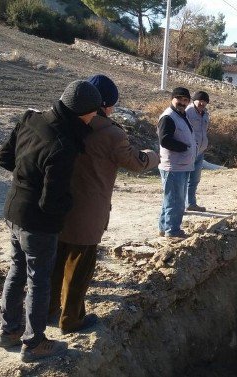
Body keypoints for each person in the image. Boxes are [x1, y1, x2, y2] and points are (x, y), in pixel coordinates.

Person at [0, 80, 102, 362]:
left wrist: (27, 174)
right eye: (94, 112)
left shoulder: (30, 118)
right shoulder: (63, 144)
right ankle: (34, 343)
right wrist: (71, 204)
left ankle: (9, 331)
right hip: (38, 223)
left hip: (13, 210)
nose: (95, 117)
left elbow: (4, 158)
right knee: (39, 280)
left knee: (17, 271)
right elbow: (51, 202)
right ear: (82, 112)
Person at [49, 75, 159, 334]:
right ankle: (71, 319)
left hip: (56, 205)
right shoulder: (111, 133)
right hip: (88, 210)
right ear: (105, 105)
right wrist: (153, 156)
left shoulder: (62, 123)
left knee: (55, 261)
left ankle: (48, 310)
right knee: (80, 267)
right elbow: (135, 163)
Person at [157, 87, 197, 238]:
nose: (183, 102)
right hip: (173, 166)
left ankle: (163, 228)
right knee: (176, 201)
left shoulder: (181, 115)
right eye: (179, 99)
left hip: (182, 165)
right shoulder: (168, 117)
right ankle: (173, 232)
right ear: (172, 99)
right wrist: (184, 147)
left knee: (170, 199)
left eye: (186, 100)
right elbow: (165, 140)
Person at [184, 91, 210, 212]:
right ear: (194, 100)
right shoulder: (187, 111)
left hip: (200, 152)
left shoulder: (205, 114)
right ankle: (181, 206)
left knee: (194, 179)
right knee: (184, 179)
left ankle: (191, 203)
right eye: (200, 100)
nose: (202, 103)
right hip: (188, 151)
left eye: (205, 101)